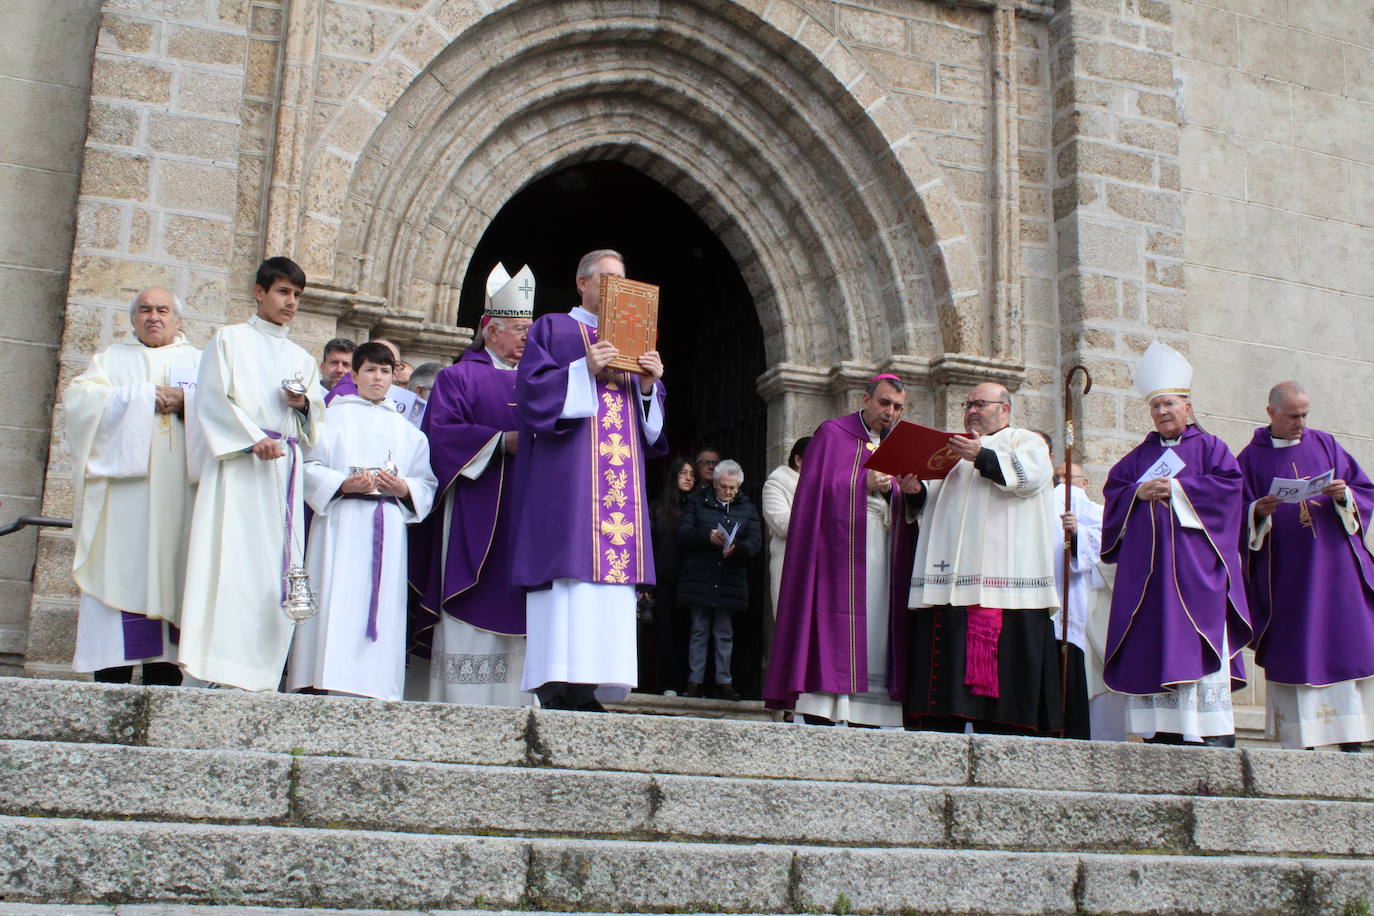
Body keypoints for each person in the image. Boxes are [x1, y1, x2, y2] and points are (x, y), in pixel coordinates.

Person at [509, 248, 667, 711]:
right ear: (583, 282)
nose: (617, 288)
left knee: (610, 581)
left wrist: (648, 386)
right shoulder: (554, 328)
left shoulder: (636, 336)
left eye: (623, 280)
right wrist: (583, 369)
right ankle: (558, 684)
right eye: (607, 279)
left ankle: (597, 683)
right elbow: (532, 393)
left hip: (620, 483)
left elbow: (653, 430)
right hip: (569, 482)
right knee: (570, 570)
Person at [179, 257, 325, 691]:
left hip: (282, 475)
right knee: (232, 562)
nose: (291, 302)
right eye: (283, 292)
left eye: (297, 295)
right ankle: (218, 667)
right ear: (259, 293)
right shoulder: (229, 340)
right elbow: (210, 400)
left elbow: (316, 424)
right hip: (239, 469)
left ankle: (261, 672)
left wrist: (302, 407)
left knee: (273, 570)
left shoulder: (302, 358)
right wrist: (249, 439)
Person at [1100, 342, 1251, 746]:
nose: (1162, 412)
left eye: (1169, 404)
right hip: (1150, 577)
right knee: (1153, 639)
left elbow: (1230, 491)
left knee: (1197, 637)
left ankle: (1209, 728)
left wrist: (1179, 490)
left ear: (1187, 406)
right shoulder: (1137, 458)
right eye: (1155, 407)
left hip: (1196, 571)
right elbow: (1114, 492)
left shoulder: (1212, 448)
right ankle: (1161, 728)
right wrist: (1137, 493)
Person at [905, 382, 1062, 736]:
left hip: (1005, 580)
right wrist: (915, 492)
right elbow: (932, 504)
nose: (972, 410)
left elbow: (1028, 477)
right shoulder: (952, 451)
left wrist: (979, 456)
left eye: (981, 404)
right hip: (949, 581)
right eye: (968, 404)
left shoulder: (1025, 441)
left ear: (1004, 410)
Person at [764, 375, 922, 727]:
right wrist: (860, 483)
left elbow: (904, 502)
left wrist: (907, 491)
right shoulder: (832, 434)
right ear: (865, 399)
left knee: (880, 625)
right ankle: (826, 706)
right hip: (839, 553)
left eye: (897, 407)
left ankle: (871, 711)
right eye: (884, 403)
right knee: (836, 624)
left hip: (883, 548)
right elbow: (812, 494)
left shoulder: (896, 444)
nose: (890, 412)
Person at [410, 264, 534, 707]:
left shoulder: (540, 381)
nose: (526, 337)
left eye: (530, 329)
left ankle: (520, 700)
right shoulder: (457, 377)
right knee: (474, 589)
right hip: (475, 510)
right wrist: (501, 442)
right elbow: (440, 436)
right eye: (519, 328)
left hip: (528, 515)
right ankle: (462, 700)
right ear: (490, 328)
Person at [64, 287, 202, 685]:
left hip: (180, 499)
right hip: (125, 502)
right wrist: (141, 398)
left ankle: (164, 678)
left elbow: (223, 412)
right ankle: (112, 677)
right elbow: (80, 403)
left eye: (162, 310)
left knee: (175, 574)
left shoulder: (197, 363)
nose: (153, 317)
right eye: (144, 310)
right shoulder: (109, 361)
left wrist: (187, 402)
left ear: (178, 320)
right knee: (121, 573)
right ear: (132, 318)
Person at [287, 342, 436, 699]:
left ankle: (375, 683)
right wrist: (342, 483)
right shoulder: (331, 418)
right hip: (342, 519)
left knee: (381, 603)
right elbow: (307, 467)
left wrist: (403, 488)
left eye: (386, 371)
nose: (378, 378)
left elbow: (426, 482)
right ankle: (323, 677)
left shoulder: (406, 429)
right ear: (355, 375)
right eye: (370, 370)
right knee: (336, 595)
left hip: (387, 522)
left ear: (394, 376)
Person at [1239, 381, 1374, 751]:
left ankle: (1352, 740)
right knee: (1298, 649)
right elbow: (1232, 515)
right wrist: (1257, 512)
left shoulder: (1326, 444)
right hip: (1289, 578)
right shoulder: (1249, 459)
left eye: (1305, 414)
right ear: (1271, 413)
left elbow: (1364, 490)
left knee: (1347, 645)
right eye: (1293, 415)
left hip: (1336, 570)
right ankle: (1304, 742)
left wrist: (1344, 494)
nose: (1301, 423)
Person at [677, 459, 762, 700]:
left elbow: (755, 542)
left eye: (733, 488)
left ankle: (724, 681)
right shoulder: (697, 502)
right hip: (700, 576)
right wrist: (706, 535)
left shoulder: (747, 507)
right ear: (714, 484)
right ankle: (695, 681)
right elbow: (682, 534)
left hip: (729, 577)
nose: (728, 492)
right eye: (724, 487)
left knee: (724, 632)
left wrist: (738, 548)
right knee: (699, 630)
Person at [1051, 461, 1101, 740]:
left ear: (1085, 483)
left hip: (1074, 604)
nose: (1062, 483)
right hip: (1043, 600)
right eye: (1057, 477)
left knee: (1070, 673)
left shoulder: (1093, 509)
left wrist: (1078, 532)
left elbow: (1102, 545)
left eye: (1068, 477)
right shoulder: (1042, 502)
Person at [644, 456, 695, 694]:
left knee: (688, 631)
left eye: (691, 474)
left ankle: (687, 682)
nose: (688, 478)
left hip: (689, 579)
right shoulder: (657, 507)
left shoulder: (696, 506)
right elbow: (649, 544)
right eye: (683, 473)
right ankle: (668, 683)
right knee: (664, 632)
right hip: (664, 577)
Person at [761, 436, 810, 619]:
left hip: (819, 563)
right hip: (789, 561)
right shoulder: (775, 484)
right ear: (798, 460)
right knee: (790, 622)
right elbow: (782, 524)